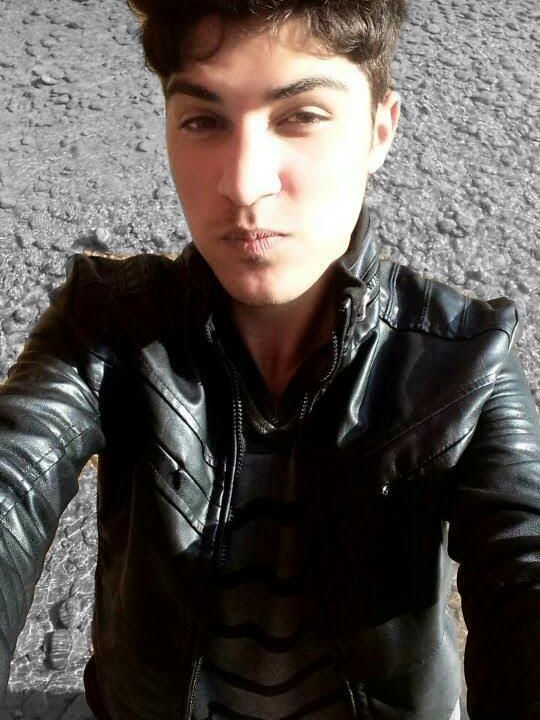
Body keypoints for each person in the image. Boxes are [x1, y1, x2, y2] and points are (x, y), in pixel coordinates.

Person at [0, 1, 538, 719]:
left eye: (301, 116)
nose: (243, 185)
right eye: (203, 121)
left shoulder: (465, 364)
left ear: (380, 130)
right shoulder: (105, 323)